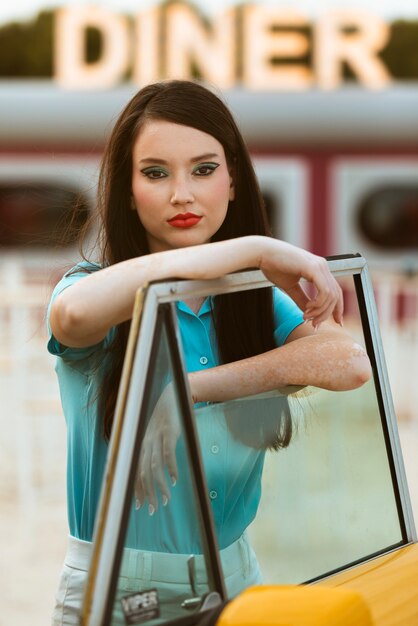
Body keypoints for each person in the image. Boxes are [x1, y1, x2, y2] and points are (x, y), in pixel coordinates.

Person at [47, 79, 372, 625]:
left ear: (233, 181)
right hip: (122, 591)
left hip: (237, 579)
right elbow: (73, 317)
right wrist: (253, 248)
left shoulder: (249, 301)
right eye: (156, 173)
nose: (182, 194)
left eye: (203, 170)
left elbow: (350, 364)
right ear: (127, 190)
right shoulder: (93, 287)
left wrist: (189, 390)